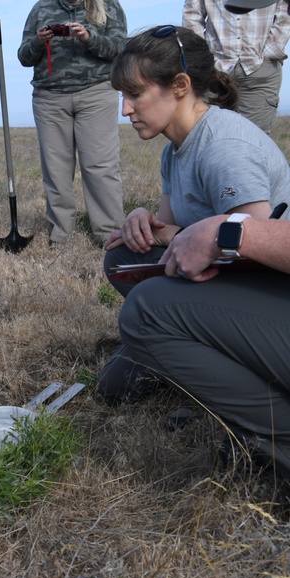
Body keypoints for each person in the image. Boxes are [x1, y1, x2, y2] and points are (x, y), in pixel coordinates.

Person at [98, 24, 290, 401]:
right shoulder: (175, 148)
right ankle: (185, 343)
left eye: (135, 94)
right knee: (122, 255)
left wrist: (167, 234)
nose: (126, 109)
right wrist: (144, 220)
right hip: (227, 278)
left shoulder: (224, 148)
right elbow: (172, 227)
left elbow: (253, 244)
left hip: (273, 288)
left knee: (122, 376)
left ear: (181, 86)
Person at [116, 211, 290, 478]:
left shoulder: (226, 167)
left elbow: (253, 218)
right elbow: (167, 218)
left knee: (147, 313)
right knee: (125, 265)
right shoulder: (173, 167)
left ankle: (279, 440)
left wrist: (232, 233)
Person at [18, 0, 127, 245]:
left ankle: (109, 234)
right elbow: (24, 56)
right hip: (49, 98)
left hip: (96, 93)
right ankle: (60, 233)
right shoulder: (40, 8)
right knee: (56, 168)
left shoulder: (109, 6)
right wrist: (38, 41)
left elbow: (120, 49)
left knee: (100, 165)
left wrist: (89, 37)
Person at [183, 0, 290, 134]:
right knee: (206, 135)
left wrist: (271, 50)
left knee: (256, 137)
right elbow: (192, 15)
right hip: (213, 69)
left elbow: (285, 12)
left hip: (261, 68)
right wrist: (203, 56)